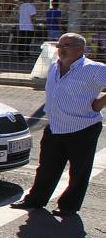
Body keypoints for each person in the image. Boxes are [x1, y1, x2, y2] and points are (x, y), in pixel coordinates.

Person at [10, 33, 106, 216]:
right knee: (47, 166)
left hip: (82, 127)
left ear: (80, 49)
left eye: (66, 45)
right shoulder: (54, 67)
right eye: (59, 45)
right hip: (55, 126)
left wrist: (99, 103)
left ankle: (68, 206)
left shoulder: (94, 69)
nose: (60, 49)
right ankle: (35, 199)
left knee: (79, 170)